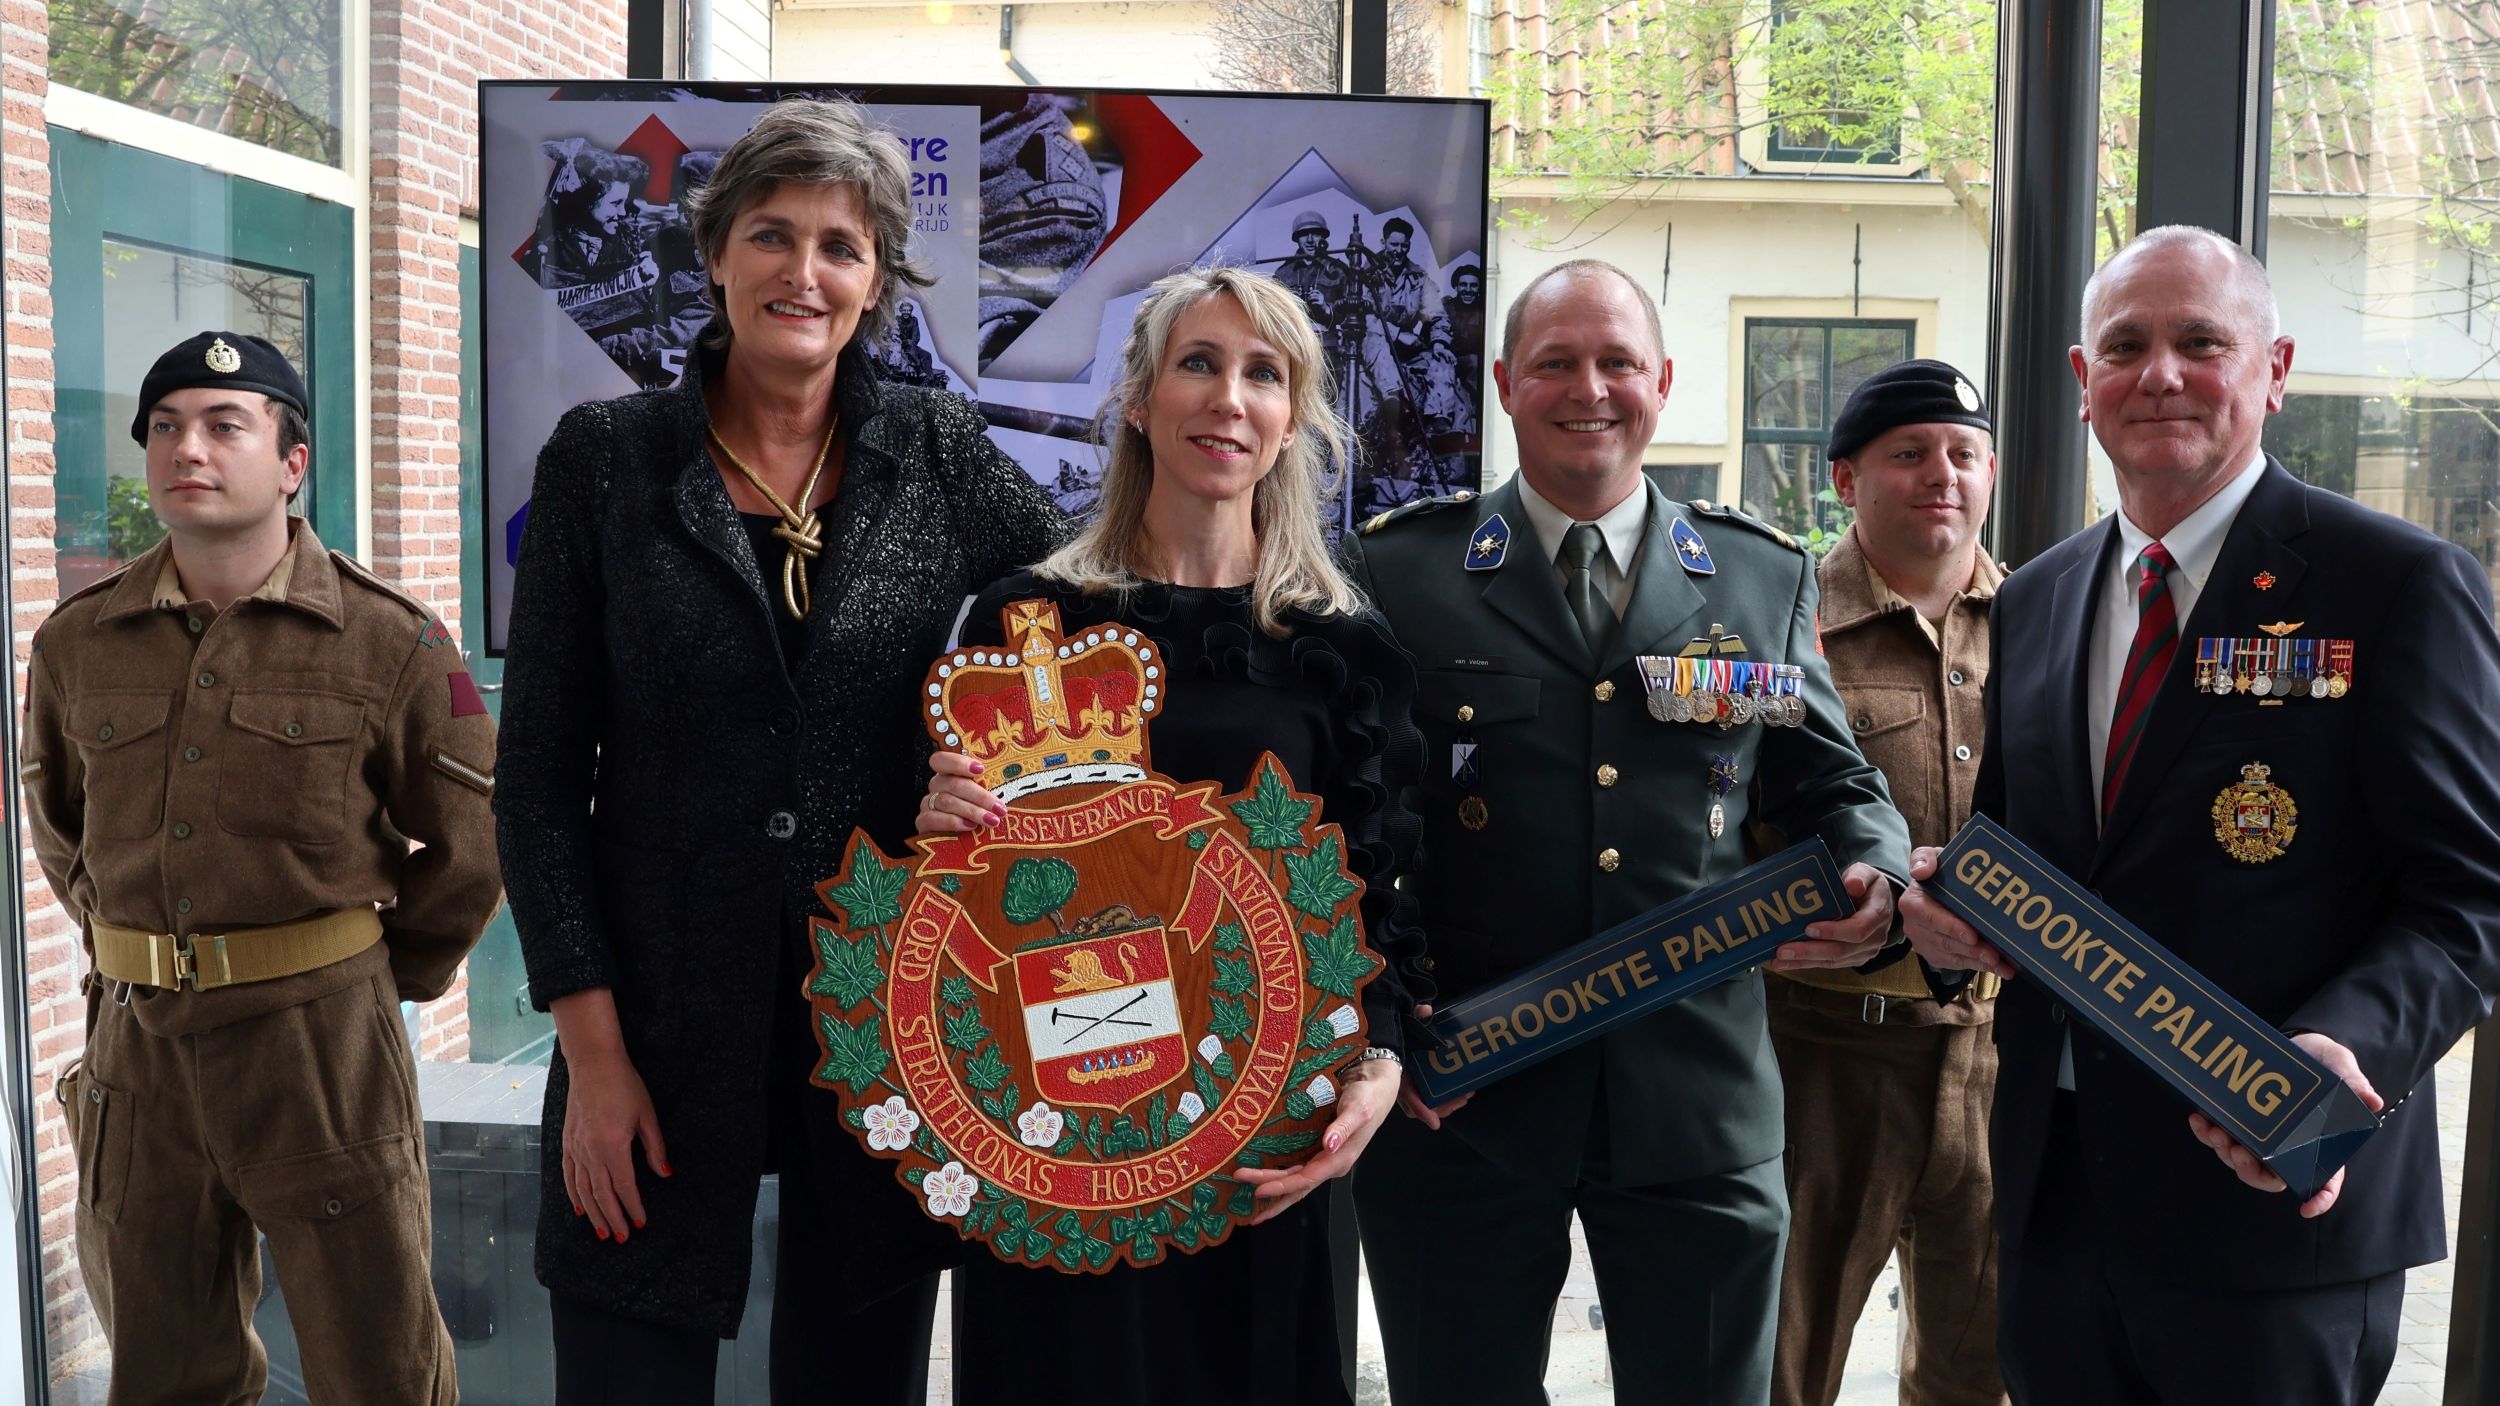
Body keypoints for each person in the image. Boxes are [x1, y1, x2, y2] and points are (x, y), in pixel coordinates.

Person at [496, 97, 1064, 1405]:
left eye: (839, 246)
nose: (801, 272)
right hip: (649, 1014)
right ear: (714, 257)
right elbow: (533, 789)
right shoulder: (607, 460)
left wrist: (988, 765)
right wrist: (591, 1064)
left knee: (856, 1372)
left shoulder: (937, 449)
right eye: (770, 234)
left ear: (876, 282)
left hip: (880, 1024)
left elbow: (1077, 615)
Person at [1898, 225, 2500, 1404]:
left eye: (2200, 341)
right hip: (2055, 1202)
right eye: (2125, 344)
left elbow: (2468, 892)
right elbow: (2022, 860)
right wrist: (1943, 915)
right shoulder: (2035, 596)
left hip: (2275, 1206)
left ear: (2271, 369)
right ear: (2082, 384)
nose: (2160, 372)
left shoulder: (2394, 582)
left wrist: (2350, 1045)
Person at [1346, 258, 1912, 1405]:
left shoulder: (1757, 575)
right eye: (1554, 362)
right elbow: (1356, 822)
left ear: (1661, 379)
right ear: (1505, 382)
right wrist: (1375, 1017)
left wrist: (1876, 867)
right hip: (1464, 1095)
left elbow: (1833, 781)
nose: (1587, 388)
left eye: (1615, 362)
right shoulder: (1400, 569)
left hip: (1693, 1098)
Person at [920, 265, 1433, 1405]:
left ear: (1292, 417)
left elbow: (1377, 891)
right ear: (1138, 399)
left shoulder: (1343, 646)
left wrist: (1381, 1065)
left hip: (1266, 1140)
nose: (1228, 398)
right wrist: (940, 826)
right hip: (1057, 1136)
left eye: (1263, 373)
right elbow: (948, 897)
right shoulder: (1021, 620)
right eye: (1197, 363)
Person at [24, 330, 502, 1404]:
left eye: (223, 424)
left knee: (377, 1363)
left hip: (321, 1047)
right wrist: (133, 947)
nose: (187, 446)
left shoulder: (393, 643)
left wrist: (377, 977)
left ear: (292, 463)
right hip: (137, 1052)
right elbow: (63, 827)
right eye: (165, 426)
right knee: (162, 1368)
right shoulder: (78, 642)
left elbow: (473, 847)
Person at [1766, 359, 2007, 1406]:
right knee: (1786, 1358)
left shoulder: (2045, 619)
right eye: (1908, 453)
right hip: (1825, 1056)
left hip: (1998, 1057)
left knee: (1974, 1370)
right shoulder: (1781, 621)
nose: (1939, 475)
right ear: (1843, 478)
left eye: (1962, 454)